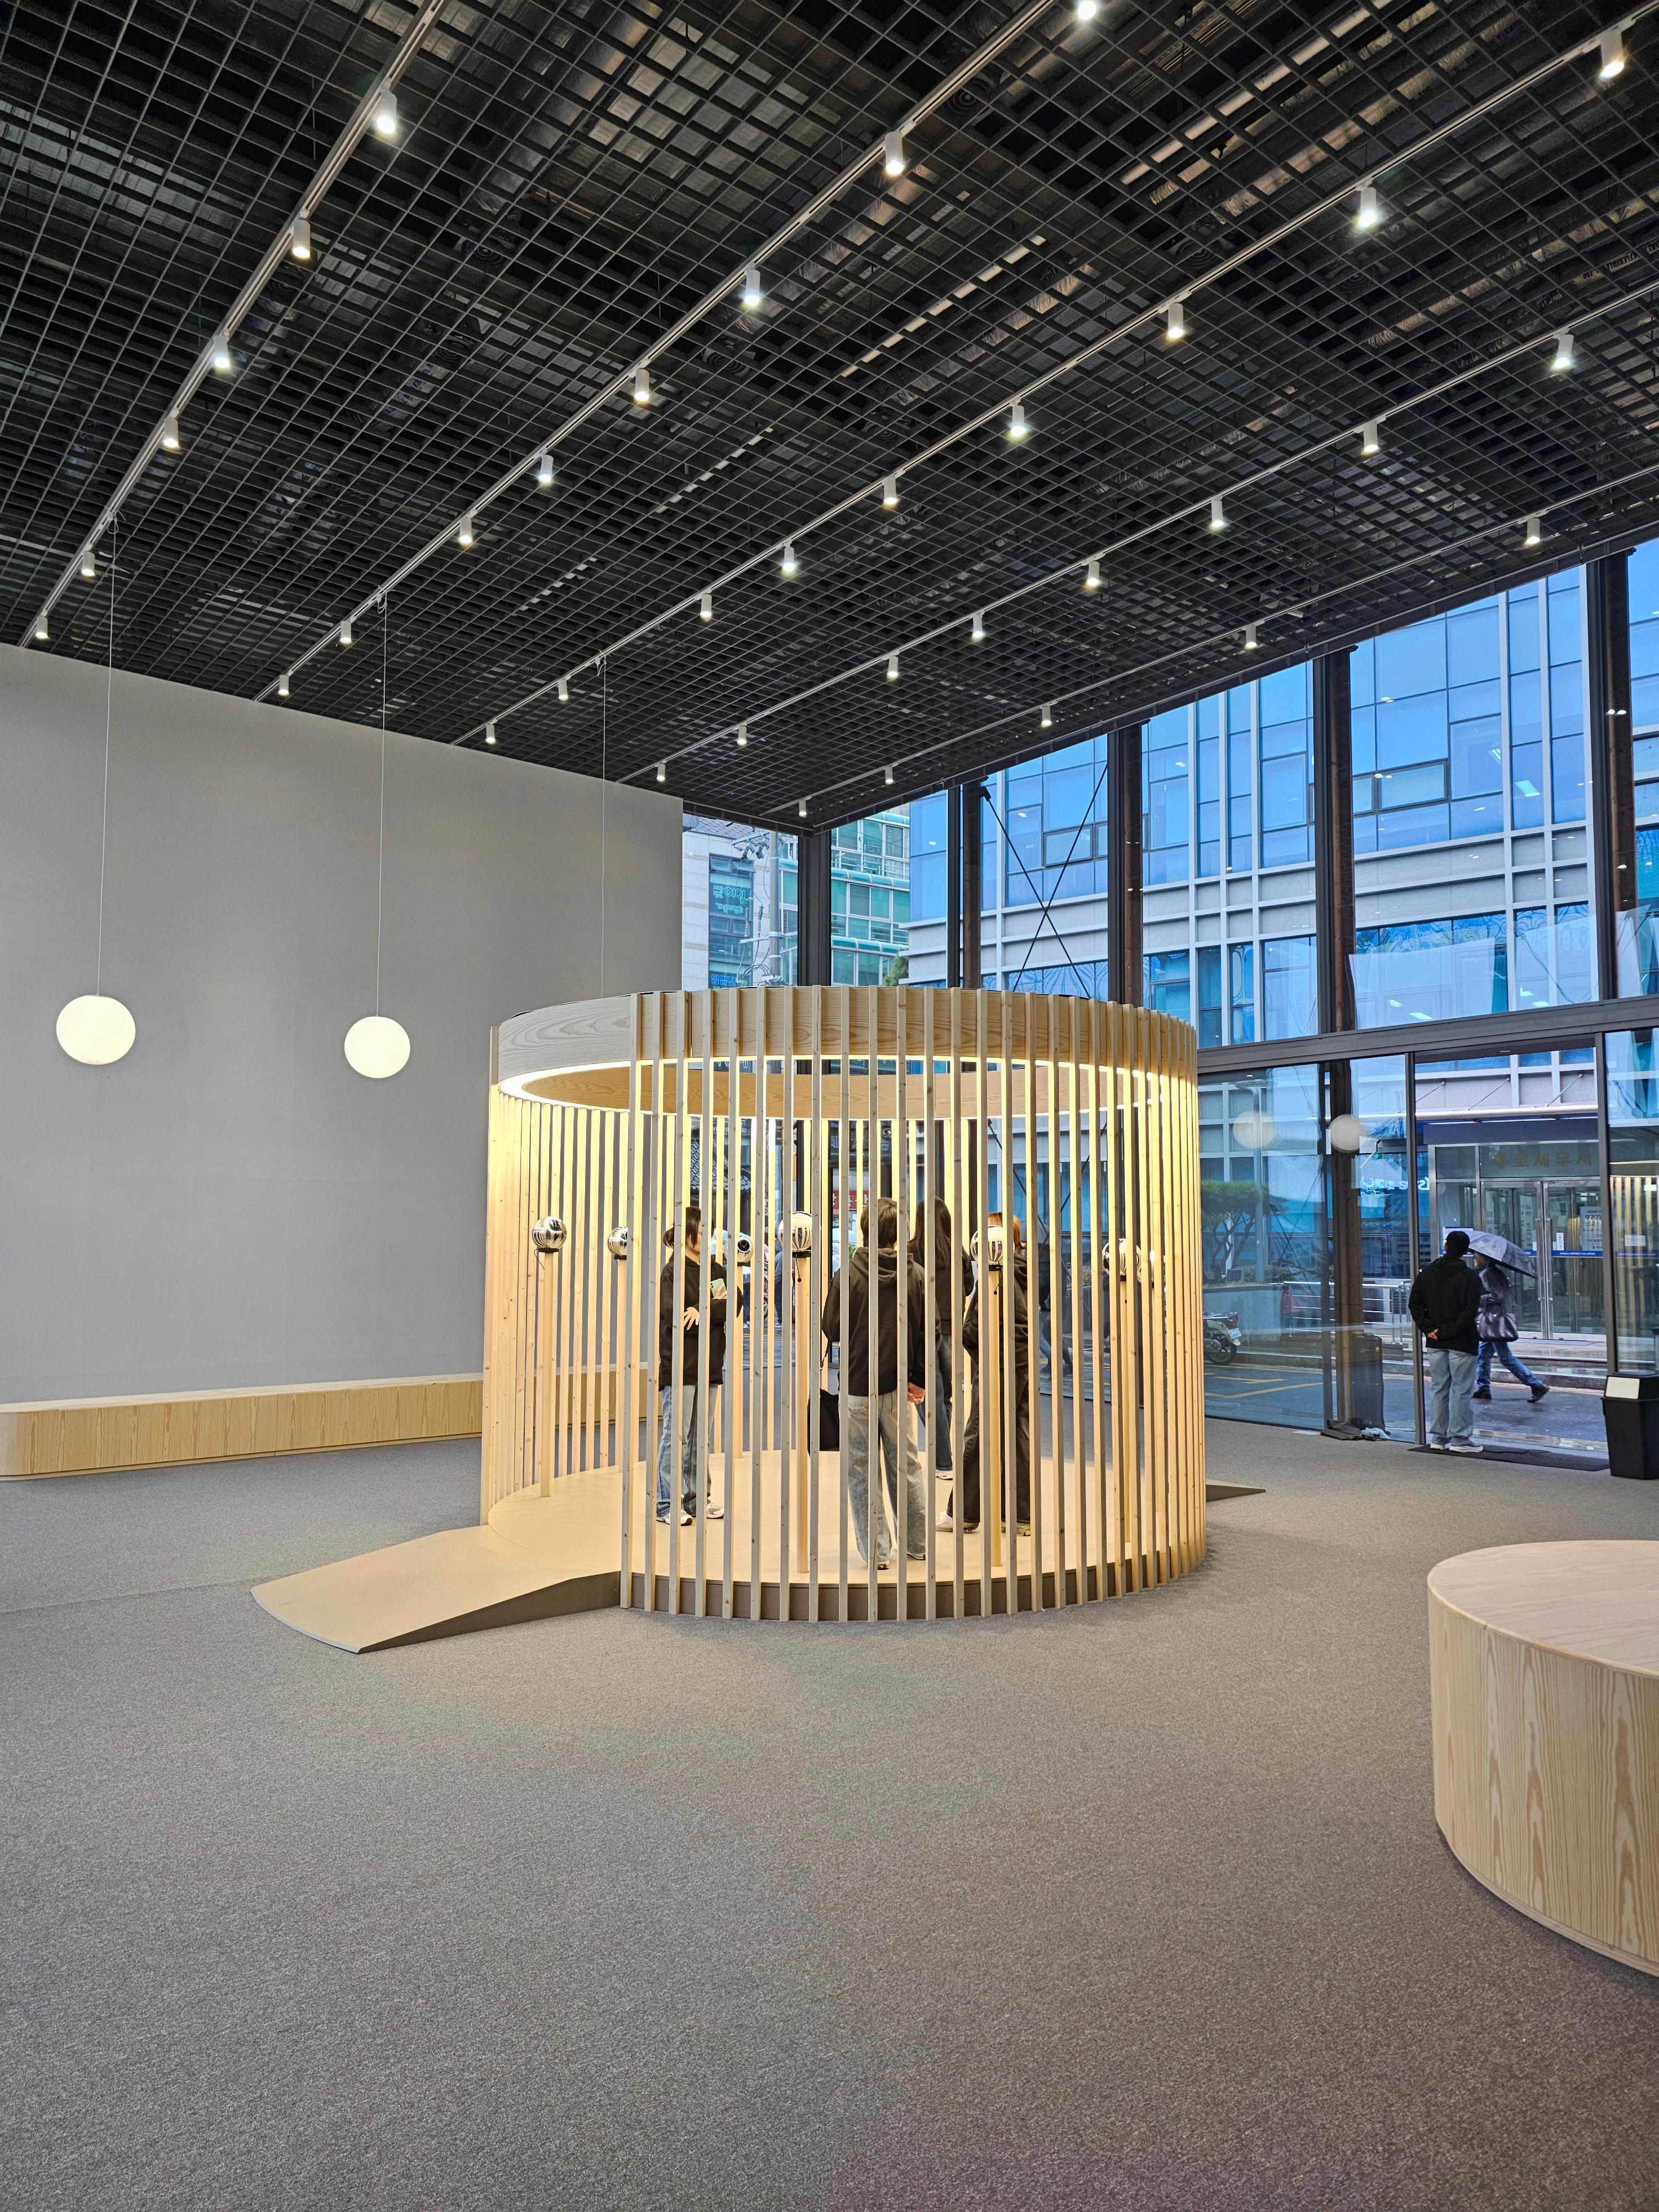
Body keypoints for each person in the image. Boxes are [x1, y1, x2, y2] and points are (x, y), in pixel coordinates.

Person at [822, 1197, 929, 1568]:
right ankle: (918, 1543)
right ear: (897, 1233)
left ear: (865, 1229)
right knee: (907, 1465)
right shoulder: (915, 1274)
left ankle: (877, 1552)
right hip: (898, 1386)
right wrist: (918, 1378)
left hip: (857, 1386)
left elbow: (831, 1328)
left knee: (860, 1470)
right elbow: (925, 1331)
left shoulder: (848, 1275)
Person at [951, 1213, 1034, 1531]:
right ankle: (1020, 1516)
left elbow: (975, 1328)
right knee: (1018, 1434)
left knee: (978, 1430)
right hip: (1019, 1361)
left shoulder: (998, 1275)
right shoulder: (1022, 1270)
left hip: (996, 1361)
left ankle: (963, 1512)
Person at [656, 1206, 729, 1525]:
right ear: (685, 1234)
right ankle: (666, 1504)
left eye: (707, 1231)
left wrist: (701, 1309)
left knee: (702, 1437)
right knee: (677, 1435)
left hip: (709, 1364)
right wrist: (705, 1310)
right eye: (700, 1231)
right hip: (680, 1366)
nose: (705, 1236)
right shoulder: (673, 1272)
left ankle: (698, 1499)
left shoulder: (715, 1270)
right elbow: (676, 1315)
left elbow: (730, 1305)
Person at [911, 1196, 973, 1473]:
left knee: (927, 1396)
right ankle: (943, 1457)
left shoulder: (912, 1251)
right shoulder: (957, 1251)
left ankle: (943, 1460)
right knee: (944, 1396)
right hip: (952, 1331)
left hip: (923, 1332)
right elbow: (969, 1287)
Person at [1408, 1229, 1484, 1454]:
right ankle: (1460, 1439)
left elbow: (1415, 1304)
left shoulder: (1427, 1274)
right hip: (1462, 1341)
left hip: (1435, 1341)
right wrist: (1449, 1331)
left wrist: (1430, 1329)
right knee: (1462, 1391)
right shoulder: (1471, 1277)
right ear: (1466, 1251)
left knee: (1439, 1388)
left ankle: (1438, 1438)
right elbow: (1470, 1311)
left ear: (1445, 1247)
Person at [1473, 1260, 1550, 1404]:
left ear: (1483, 1258)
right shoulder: (1493, 1272)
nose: (1474, 1259)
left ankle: (1536, 1385)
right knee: (1483, 1354)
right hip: (1495, 1321)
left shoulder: (1488, 1273)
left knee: (1505, 1357)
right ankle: (1483, 1388)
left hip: (1495, 1322)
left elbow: (1497, 1295)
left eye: (1476, 1256)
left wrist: (1478, 1299)